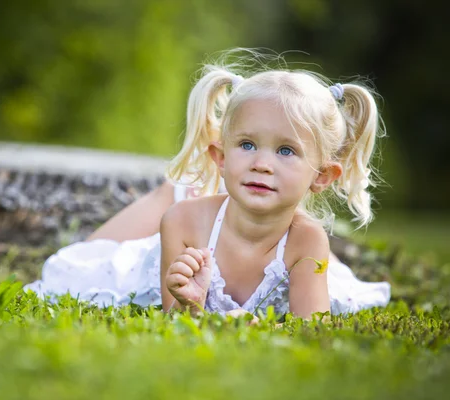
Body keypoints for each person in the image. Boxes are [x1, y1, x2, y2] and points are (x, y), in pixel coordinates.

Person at [24, 49, 391, 318]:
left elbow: (311, 328)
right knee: (75, 268)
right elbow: (177, 321)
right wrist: (189, 303)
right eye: (247, 145)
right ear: (220, 156)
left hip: (277, 232)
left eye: (286, 151)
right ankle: (179, 189)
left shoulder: (309, 241)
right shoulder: (181, 222)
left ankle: (192, 187)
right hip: (178, 234)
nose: (262, 164)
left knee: (328, 273)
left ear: (322, 176)